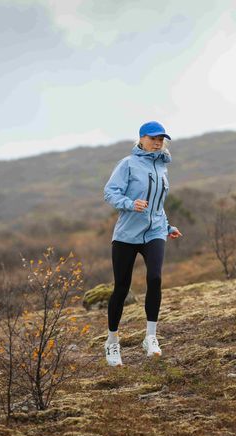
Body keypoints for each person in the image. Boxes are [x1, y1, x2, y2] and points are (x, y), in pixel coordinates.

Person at [102, 121, 182, 367]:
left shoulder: (162, 168)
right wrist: (129, 203)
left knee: (155, 279)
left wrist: (167, 226)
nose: (157, 143)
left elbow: (158, 204)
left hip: (155, 232)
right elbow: (110, 192)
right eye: (153, 138)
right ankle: (112, 341)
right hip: (127, 235)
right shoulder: (128, 164)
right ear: (141, 139)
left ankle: (150, 337)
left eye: (161, 139)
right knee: (122, 288)